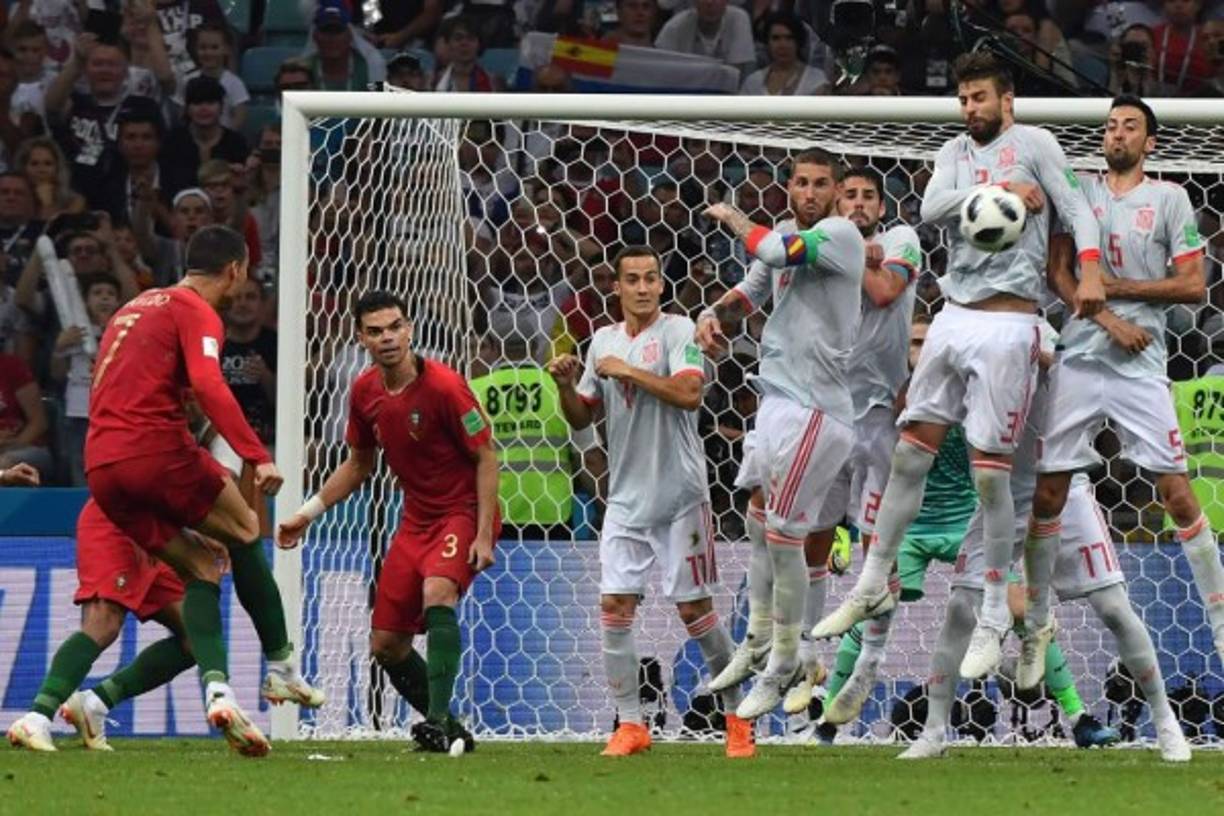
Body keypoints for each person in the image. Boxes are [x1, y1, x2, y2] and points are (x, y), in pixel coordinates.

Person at [813, 53, 1105, 686]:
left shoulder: (1037, 145)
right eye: (964, 99)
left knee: (990, 477)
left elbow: (1079, 209)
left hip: (1010, 323)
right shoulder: (953, 152)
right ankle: (871, 581)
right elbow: (930, 208)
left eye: (980, 98)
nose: (970, 109)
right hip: (954, 315)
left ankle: (997, 611)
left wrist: (1090, 271)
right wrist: (997, 195)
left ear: (1007, 100)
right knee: (909, 453)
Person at [899, 320, 1192, 763]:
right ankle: (933, 732)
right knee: (959, 608)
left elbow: (1082, 376)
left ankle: (1166, 721)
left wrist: (1037, 355)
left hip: (1065, 491)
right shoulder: (969, 333)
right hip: (1002, 496)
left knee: (1113, 607)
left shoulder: (1040, 330)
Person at [84, 224, 322, 756]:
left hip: (101, 467)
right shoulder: (196, 309)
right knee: (246, 527)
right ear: (235, 270)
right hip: (154, 452)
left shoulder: (137, 305)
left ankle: (217, 691)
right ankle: (281, 668)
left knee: (201, 567)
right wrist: (257, 455)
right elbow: (210, 383)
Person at [1018, 95, 1224, 688]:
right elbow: (1059, 273)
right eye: (1110, 126)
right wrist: (1109, 320)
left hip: (1141, 366)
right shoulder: (1079, 191)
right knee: (1049, 492)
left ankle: (1219, 622)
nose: (1117, 134)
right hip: (1081, 359)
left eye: (1130, 126)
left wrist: (1117, 288)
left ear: (1150, 142)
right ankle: (1035, 623)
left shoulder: (1170, 198)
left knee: (1177, 493)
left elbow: (1192, 285)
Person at [547, 246, 755, 759]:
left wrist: (629, 373)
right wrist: (565, 386)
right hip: (625, 498)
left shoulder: (680, 331)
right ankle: (632, 724)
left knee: (695, 611)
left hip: (681, 495)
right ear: (616, 287)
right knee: (614, 606)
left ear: (662, 285)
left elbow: (689, 394)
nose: (642, 287)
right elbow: (581, 417)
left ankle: (737, 718)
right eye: (632, 279)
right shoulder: (602, 341)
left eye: (651, 278)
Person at [276, 291, 498, 754]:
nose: (388, 338)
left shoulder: (446, 386)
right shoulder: (364, 392)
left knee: (438, 591)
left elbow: (486, 456)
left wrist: (482, 535)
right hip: (416, 519)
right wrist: (306, 513)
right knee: (386, 645)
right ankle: (452, 731)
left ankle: (435, 721)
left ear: (410, 329)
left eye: (395, 327)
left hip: (462, 511)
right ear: (361, 338)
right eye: (375, 331)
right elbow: (359, 464)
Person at [696, 149, 866, 720]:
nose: (810, 193)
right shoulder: (788, 231)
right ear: (789, 187)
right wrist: (713, 312)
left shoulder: (840, 235)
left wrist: (735, 217)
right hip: (777, 400)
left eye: (821, 184)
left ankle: (785, 661)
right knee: (756, 517)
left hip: (817, 409)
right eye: (801, 183)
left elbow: (773, 250)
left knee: (786, 535)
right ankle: (757, 640)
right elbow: (752, 287)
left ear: (836, 191)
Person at [789, 167, 921, 718]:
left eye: (869, 196)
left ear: (882, 207)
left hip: (880, 416)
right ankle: (806, 661)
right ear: (835, 202)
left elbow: (886, 291)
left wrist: (854, 255)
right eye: (849, 195)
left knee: (876, 548)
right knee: (812, 538)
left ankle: (868, 664)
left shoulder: (902, 239)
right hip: (825, 408)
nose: (859, 203)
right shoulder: (821, 244)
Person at [6, 499, 200, 751]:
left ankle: (95, 704)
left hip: (156, 536)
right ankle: (37, 718)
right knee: (104, 621)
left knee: (198, 634)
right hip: (117, 517)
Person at [655, 0, 756, 76]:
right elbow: (662, 72)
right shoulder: (675, 26)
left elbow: (736, 76)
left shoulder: (738, 19)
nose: (709, 2)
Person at [739, 12, 827, 96]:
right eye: (776, 38)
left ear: (798, 42)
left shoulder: (816, 81)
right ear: (767, 42)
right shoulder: (753, 82)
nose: (782, 45)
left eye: (789, 38)